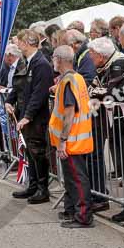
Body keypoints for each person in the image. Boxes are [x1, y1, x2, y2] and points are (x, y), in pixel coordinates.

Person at [87, 37, 124, 219]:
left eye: (92, 54)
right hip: (114, 122)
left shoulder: (119, 63)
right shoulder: (104, 66)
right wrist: (97, 93)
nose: (90, 58)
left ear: (101, 55)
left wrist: (97, 93)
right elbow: (91, 89)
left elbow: (110, 93)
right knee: (121, 164)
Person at [49, 45, 94, 228]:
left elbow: (69, 113)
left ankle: (83, 216)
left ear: (59, 59)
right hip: (76, 138)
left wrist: (62, 141)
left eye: (53, 57)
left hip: (72, 140)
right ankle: (72, 210)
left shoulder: (69, 81)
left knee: (77, 179)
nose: (52, 60)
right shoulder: (76, 78)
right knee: (72, 178)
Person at [7, 31, 54, 203]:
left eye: (19, 41)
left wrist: (28, 116)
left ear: (27, 42)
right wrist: (9, 100)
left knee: (37, 151)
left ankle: (43, 189)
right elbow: (17, 85)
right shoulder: (24, 62)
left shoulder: (41, 64)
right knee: (29, 151)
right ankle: (33, 185)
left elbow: (39, 93)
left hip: (36, 117)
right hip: (23, 112)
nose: (18, 45)